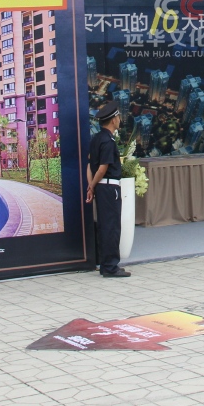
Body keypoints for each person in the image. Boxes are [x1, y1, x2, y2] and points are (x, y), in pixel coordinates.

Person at [87, 102, 129, 278]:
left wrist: (91, 186)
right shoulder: (109, 141)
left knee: (104, 226)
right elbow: (103, 168)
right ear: (113, 120)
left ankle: (105, 265)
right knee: (111, 227)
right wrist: (92, 185)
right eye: (118, 117)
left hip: (100, 187)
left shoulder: (96, 139)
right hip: (110, 187)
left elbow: (89, 165)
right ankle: (111, 266)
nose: (119, 120)